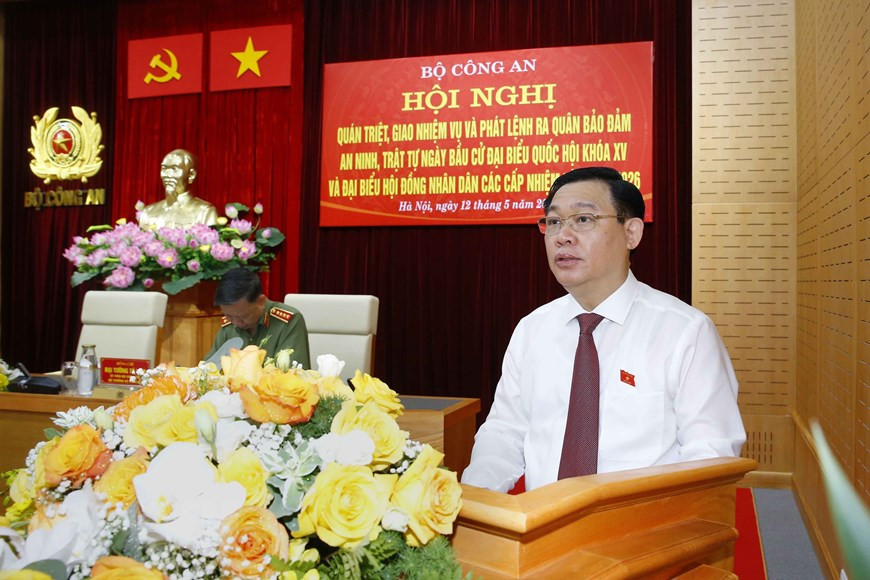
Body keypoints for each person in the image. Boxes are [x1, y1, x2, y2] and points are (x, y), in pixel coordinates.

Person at [461, 167, 745, 493]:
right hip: (540, 529)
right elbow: (504, 432)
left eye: (583, 219)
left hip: (643, 533)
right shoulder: (532, 330)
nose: (562, 236)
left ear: (631, 233)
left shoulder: (686, 333)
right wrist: (475, 503)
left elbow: (709, 459)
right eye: (553, 222)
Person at [205, 268, 311, 367]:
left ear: (261, 302)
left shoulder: (287, 321)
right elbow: (209, 369)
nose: (236, 323)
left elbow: (293, 375)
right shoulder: (229, 326)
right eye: (228, 316)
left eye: (243, 316)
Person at [138, 149, 219, 229]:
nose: (167, 175)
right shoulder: (148, 211)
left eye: (174, 169)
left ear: (191, 175)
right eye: (164, 169)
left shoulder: (205, 211)